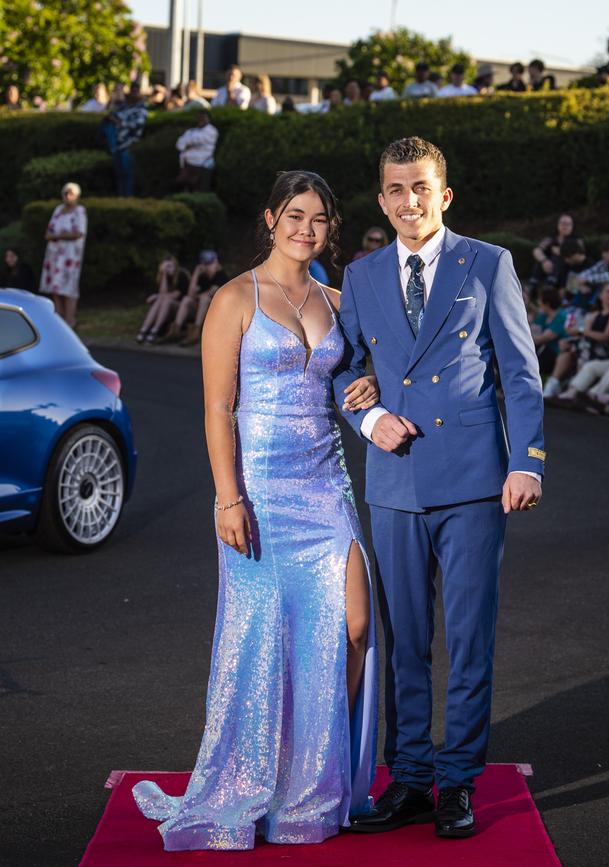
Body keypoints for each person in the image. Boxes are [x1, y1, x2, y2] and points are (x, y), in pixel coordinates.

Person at [132, 170, 380, 850]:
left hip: (328, 488)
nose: (307, 228)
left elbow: (357, 377)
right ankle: (254, 783)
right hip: (260, 494)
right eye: (295, 215)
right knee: (263, 645)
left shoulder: (337, 299)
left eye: (320, 219)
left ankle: (317, 780)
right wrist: (228, 497)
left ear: (331, 228)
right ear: (271, 218)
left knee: (354, 625)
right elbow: (217, 406)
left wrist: (370, 383)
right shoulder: (234, 298)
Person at [332, 136, 543, 839]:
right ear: (381, 199)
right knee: (404, 641)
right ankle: (412, 778)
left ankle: (458, 781)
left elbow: (520, 372)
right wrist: (365, 415)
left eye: (420, 187)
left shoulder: (488, 263)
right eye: (395, 189)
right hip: (394, 481)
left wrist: (528, 460)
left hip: (475, 481)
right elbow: (342, 367)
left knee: (469, 637)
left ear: (443, 194)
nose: (408, 201)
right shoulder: (359, 276)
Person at [543, 282, 609, 398]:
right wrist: (574, 338)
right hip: (589, 347)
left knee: (580, 349)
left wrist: (580, 331)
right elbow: (585, 333)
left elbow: (605, 336)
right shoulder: (594, 314)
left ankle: (571, 389)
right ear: (600, 295)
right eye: (608, 291)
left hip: (606, 350)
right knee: (566, 352)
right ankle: (552, 385)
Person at [38, 183, 87, 327]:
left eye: (71, 193)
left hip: (70, 256)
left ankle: (70, 319)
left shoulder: (79, 211)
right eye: (65, 193)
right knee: (56, 288)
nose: (67, 196)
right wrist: (62, 235)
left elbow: (78, 232)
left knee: (69, 287)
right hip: (54, 255)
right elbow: (48, 233)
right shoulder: (58, 210)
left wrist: (60, 236)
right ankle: (58, 320)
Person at [161, 250, 229, 345]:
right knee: (186, 299)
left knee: (205, 299)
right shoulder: (202, 276)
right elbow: (190, 294)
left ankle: (196, 331)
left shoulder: (221, 276)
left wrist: (198, 295)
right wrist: (196, 274)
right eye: (205, 264)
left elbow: (210, 293)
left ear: (216, 263)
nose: (208, 267)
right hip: (199, 308)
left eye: (210, 264)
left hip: (214, 312)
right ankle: (175, 330)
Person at [135, 255, 191, 343]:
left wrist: (157, 296)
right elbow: (162, 292)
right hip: (166, 304)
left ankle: (155, 330)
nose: (168, 269)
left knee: (165, 300)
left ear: (175, 265)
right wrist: (164, 275)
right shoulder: (163, 277)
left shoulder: (181, 275)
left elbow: (176, 295)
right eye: (165, 267)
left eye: (169, 266)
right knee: (160, 301)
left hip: (181, 306)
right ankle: (144, 329)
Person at [111, 82, 148, 196]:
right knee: (119, 174)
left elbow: (138, 124)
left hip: (130, 144)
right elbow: (112, 115)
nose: (134, 93)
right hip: (118, 143)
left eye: (136, 91)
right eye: (132, 90)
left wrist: (122, 123)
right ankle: (121, 197)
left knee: (127, 173)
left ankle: (128, 197)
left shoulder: (141, 107)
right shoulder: (123, 106)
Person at [529, 213, 578, 292]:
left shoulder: (576, 240)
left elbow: (578, 256)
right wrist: (544, 261)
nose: (565, 226)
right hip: (548, 270)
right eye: (563, 223)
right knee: (540, 263)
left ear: (572, 226)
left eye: (568, 224)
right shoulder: (551, 239)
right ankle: (532, 288)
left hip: (568, 271)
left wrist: (561, 252)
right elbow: (537, 250)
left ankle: (551, 286)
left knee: (556, 258)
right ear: (557, 224)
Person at [175, 109, 218, 192]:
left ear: (208, 119)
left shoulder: (212, 131)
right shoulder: (191, 131)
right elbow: (179, 145)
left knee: (198, 189)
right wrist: (188, 143)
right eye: (199, 117)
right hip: (187, 164)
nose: (201, 119)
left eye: (203, 117)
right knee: (181, 184)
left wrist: (187, 143)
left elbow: (196, 140)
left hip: (202, 165)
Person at [531, 286, 568, 375]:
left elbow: (544, 338)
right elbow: (533, 331)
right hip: (542, 349)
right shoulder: (543, 316)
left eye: (540, 301)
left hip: (554, 353)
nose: (538, 303)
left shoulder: (561, 316)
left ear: (547, 304)